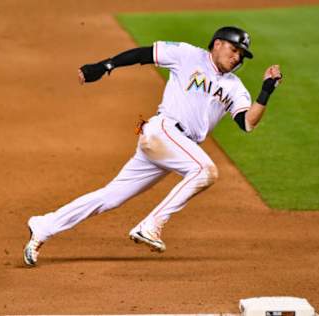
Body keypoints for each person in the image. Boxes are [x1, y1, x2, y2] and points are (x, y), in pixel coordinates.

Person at [23, 26, 283, 266]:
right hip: (162, 130)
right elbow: (144, 54)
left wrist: (266, 91)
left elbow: (247, 122)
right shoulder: (187, 55)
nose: (237, 57)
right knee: (205, 171)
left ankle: (44, 225)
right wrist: (105, 65)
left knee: (110, 197)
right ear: (217, 44)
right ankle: (151, 225)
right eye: (234, 50)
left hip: (174, 147)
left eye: (242, 55)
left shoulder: (235, 88)